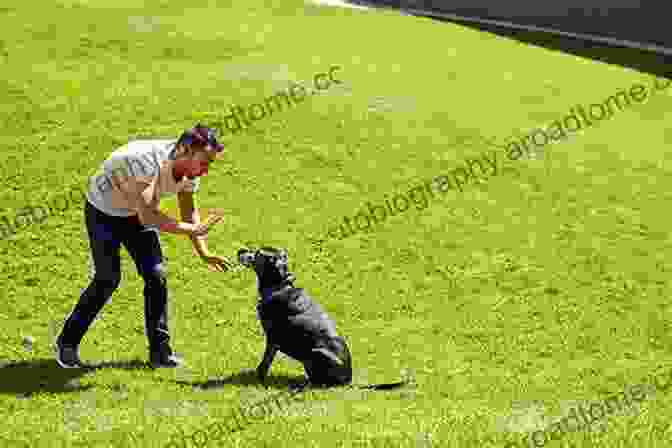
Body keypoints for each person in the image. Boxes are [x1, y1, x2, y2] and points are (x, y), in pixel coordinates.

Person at [55, 124, 234, 368]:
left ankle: (160, 354)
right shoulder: (145, 163)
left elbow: (187, 207)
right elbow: (148, 217)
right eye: (205, 161)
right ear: (184, 150)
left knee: (156, 275)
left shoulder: (189, 169)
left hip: (135, 213)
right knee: (108, 278)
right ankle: (67, 343)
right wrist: (192, 229)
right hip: (103, 211)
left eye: (210, 163)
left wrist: (203, 251)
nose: (206, 170)